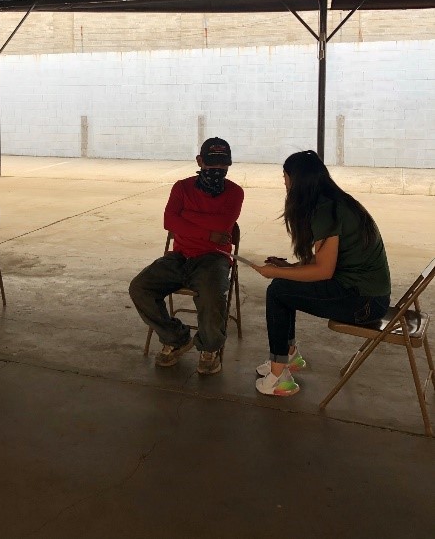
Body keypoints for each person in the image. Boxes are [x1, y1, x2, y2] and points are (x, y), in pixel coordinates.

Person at [251, 150, 391, 396]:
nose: (283, 182)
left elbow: (323, 270)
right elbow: (327, 260)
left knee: (278, 291)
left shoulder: (325, 210)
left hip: (364, 302)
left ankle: (278, 376)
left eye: (284, 177)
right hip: (368, 296)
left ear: (297, 180)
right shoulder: (333, 202)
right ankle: (288, 357)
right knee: (285, 286)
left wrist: (277, 273)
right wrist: (289, 268)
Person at [129, 138, 244, 375]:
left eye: (223, 167)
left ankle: (209, 348)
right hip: (179, 256)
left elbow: (223, 226)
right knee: (140, 287)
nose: (218, 171)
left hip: (214, 257)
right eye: (212, 166)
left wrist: (187, 217)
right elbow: (169, 222)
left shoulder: (235, 192)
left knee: (212, 296)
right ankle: (176, 337)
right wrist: (208, 232)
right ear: (200, 161)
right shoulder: (181, 187)